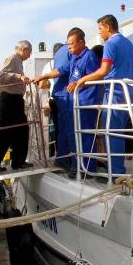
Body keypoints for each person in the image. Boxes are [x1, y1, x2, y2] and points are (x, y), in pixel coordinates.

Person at [71, 14, 133, 178]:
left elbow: (104, 70)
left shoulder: (110, 44)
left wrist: (83, 79)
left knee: (111, 133)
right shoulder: (128, 43)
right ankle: (116, 168)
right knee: (119, 132)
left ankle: (115, 173)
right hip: (128, 91)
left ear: (107, 27)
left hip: (115, 91)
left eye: (100, 29)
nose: (99, 33)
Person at [33, 28, 102, 177]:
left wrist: (79, 82)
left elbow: (97, 77)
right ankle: (75, 164)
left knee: (85, 135)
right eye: (68, 45)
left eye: (71, 44)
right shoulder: (73, 57)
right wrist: (43, 76)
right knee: (73, 134)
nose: (69, 48)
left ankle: (87, 169)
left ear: (81, 42)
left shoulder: (89, 57)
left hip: (85, 103)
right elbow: (61, 70)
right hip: (73, 104)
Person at [0, 40, 33, 172]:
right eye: (29, 53)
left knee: (18, 130)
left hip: (15, 99)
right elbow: (2, 76)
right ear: (24, 50)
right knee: (9, 131)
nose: (29, 56)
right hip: (10, 99)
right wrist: (19, 76)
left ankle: (16, 161)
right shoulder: (12, 58)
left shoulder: (18, 61)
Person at [47, 41, 71, 168]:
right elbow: (65, 69)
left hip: (56, 97)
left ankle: (61, 158)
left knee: (59, 129)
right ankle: (67, 159)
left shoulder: (55, 59)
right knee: (68, 128)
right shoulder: (70, 53)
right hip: (66, 96)